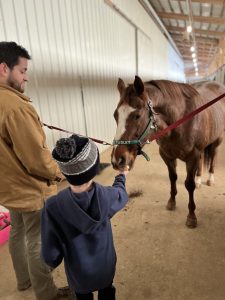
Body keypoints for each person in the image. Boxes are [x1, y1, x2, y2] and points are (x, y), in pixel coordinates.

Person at [0, 41, 71, 300]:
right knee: (37, 241)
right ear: (3, 69)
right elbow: (36, 160)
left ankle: (24, 281)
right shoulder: (16, 107)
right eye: (22, 71)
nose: (26, 77)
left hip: (8, 186)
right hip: (29, 188)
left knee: (18, 233)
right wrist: (60, 173)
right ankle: (47, 293)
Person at [41, 134, 129, 300]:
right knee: (107, 292)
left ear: (65, 172)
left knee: (82, 296)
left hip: (78, 273)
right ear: (95, 168)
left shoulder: (53, 207)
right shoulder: (108, 196)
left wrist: (53, 260)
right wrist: (121, 175)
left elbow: (50, 254)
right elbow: (121, 194)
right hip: (105, 268)